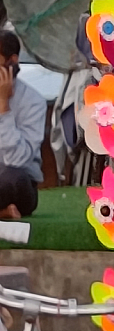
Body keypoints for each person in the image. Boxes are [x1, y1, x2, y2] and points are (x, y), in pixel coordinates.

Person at [0, 30, 46, 218]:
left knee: (13, 178)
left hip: (17, 185)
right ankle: (3, 213)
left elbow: (18, 161)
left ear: (12, 61)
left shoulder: (34, 102)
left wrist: (3, 109)